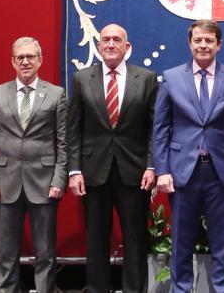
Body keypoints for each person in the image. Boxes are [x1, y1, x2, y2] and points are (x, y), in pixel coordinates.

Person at [152, 19, 224, 293]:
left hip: (221, 173)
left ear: (219, 45)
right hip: (182, 172)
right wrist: (162, 170)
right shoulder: (171, 78)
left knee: (223, 244)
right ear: (190, 43)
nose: (203, 45)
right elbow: (161, 128)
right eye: (198, 40)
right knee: (181, 244)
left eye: (209, 40)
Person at [67, 24, 160, 293]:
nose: (110, 44)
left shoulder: (146, 78)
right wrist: (74, 170)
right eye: (105, 40)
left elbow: (154, 128)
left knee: (135, 240)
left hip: (134, 172)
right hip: (93, 172)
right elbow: (74, 129)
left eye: (116, 40)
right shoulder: (82, 78)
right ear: (98, 47)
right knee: (96, 240)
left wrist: (152, 165)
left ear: (127, 47)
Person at [0, 36, 67, 293]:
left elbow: (64, 142)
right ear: (13, 61)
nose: (26, 61)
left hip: (44, 183)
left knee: (45, 254)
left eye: (31, 56)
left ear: (40, 60)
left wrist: (59, 179)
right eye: (21, 57)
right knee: (6, 254)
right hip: (6, 184)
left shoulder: (56, 94)